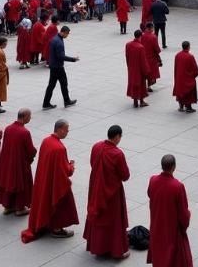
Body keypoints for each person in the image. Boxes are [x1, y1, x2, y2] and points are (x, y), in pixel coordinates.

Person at [21, 119, 79, 242]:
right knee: (62, 203)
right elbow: (66, 171)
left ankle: (47, 223)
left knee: (46, 201)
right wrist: (71, 165)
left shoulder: (46, 141)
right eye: (66, 129)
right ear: (59, 129)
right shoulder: (59, 148)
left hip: (44, 180)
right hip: (56, 184)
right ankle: (57, 229)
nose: (68, 131)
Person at [83, 124, 130, 259]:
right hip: (112, 193)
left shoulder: (96, 146)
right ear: (116, 137)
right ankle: (116, 250)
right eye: (120, 137)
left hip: (96, 187)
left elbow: (93, 163)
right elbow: (125, 176)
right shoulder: (117, 153)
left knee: (99, 216)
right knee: (113, 220)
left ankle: (98, 247)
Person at [148, 154, 192, 267]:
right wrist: (187, 217)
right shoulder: (178, 186)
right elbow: (183, 213)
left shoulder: (153, 180)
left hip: (157, 224)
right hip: (171, 228)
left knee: (159, 252)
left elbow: (150, 194)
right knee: (173, 256)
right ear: (174, 167)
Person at [0, 108, 37, 215]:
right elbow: (30, 150)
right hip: (20, 164)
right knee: (20, 184)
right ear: (25, 117)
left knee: (9, 182)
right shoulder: (25, 132)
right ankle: (19, 208)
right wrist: (34, 152)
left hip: (8, 162)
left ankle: (8, 207)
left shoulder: (8, 128)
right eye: (30, 116)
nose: (31, 118)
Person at [42, 26, 79, 109]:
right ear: (64, 32)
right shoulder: (59, 42)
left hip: (53, 65)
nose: (67, 36)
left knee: (51, 85)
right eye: (67, 34)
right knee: (63, 83)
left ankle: (46, 103)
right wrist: (73, 59)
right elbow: (61, 56)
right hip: (58, 67)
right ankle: (67, 101)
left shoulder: (54, 38)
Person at [125, 29, 150, 108]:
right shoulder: (141, 47)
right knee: (141, 85)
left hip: (131, 68)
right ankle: (141, 101)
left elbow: (127, 56)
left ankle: (135, 101)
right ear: (140, 37)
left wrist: (129, 66)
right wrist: (146, 71)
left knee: (133, 83)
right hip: (139, 69)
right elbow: (143, 61)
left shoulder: (128, 45)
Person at [173, 41, 198, 113]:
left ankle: (181, 106)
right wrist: (193, 76)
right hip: (188, 78)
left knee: (180, 90)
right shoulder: (190, 56)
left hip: (179, 77)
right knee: (189, 92)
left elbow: (176, 67)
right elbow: (196, 70)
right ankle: (188, 107)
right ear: (188, 47)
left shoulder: (177, 55)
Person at [142, 22, 162, 90]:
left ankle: (146, 85)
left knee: (146, 71)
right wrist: (159, 52)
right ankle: (149, 85)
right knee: (152, 72)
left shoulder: (142, 36)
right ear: (150, 28)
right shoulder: (153, 37)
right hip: (152, 57)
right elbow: (156, 47)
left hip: (144, 56)